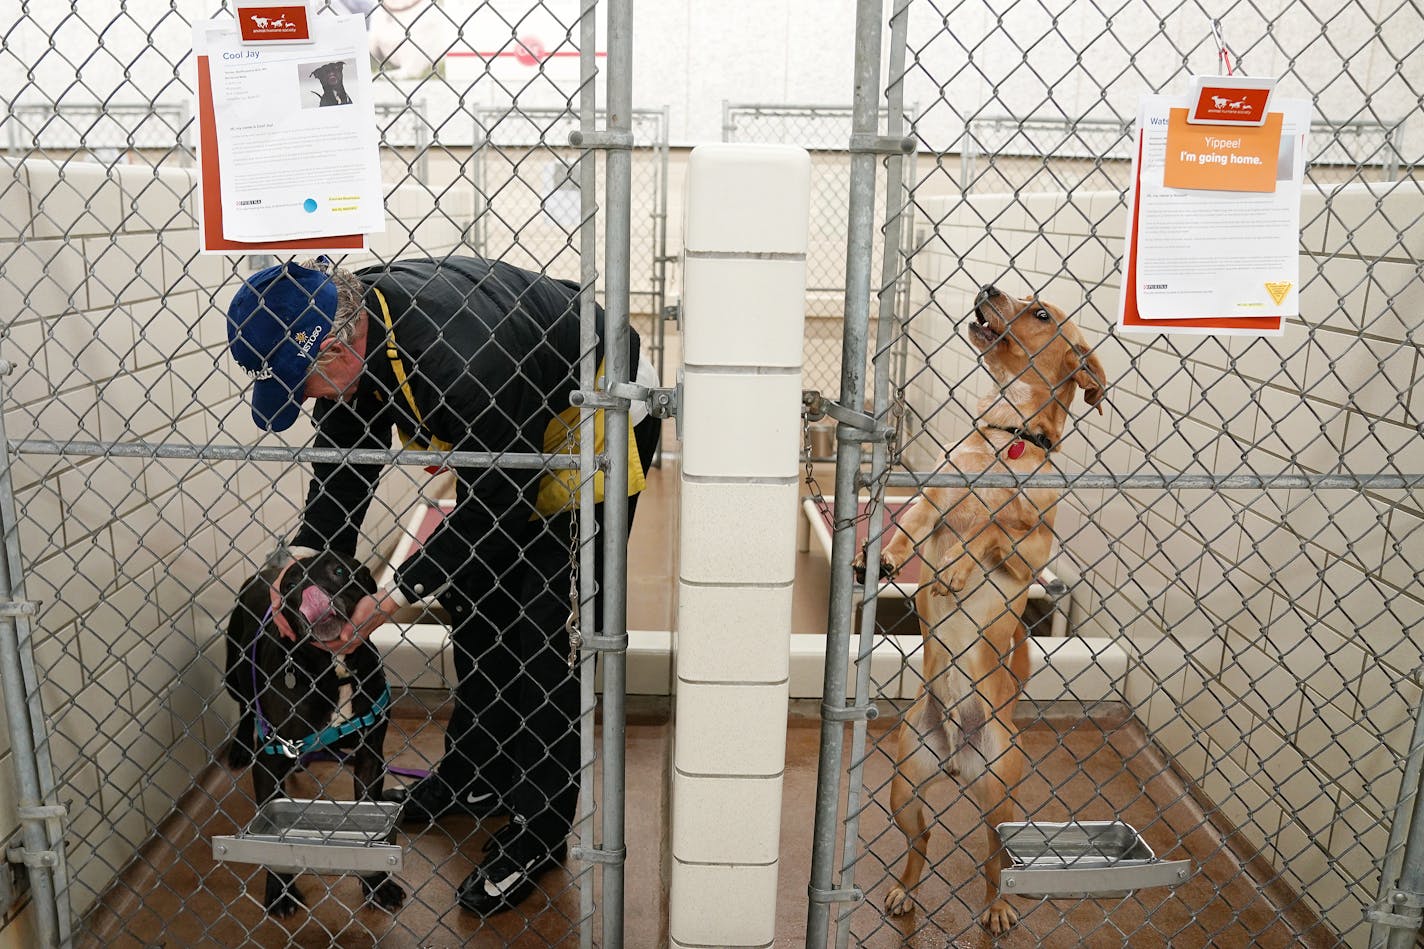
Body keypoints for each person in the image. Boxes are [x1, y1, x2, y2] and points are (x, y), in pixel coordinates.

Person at [225, 255, 660, 916]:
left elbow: (498, 498)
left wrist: (392, 596)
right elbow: (346, 464)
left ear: (337, 349)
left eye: (305, 382)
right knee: (476, 599)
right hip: (515, 418)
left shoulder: (457, 354)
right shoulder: (353, 326)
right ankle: (475, 773)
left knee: (539, 624)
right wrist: (308, 564)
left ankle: (537, 834)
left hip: (592, 407)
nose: (307, 397)